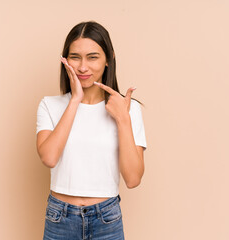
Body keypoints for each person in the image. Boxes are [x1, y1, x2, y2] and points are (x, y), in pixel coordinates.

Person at [36, 21, 147, 240]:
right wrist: (75, 100)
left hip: (107, 218)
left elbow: (133, 179)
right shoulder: (50, 105)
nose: (83, 67)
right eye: (75, 57)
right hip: (60, 219)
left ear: (109, 59)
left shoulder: (128, 109)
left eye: (93, 57)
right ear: (65, 60)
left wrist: (123, 119)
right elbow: (49, 157)